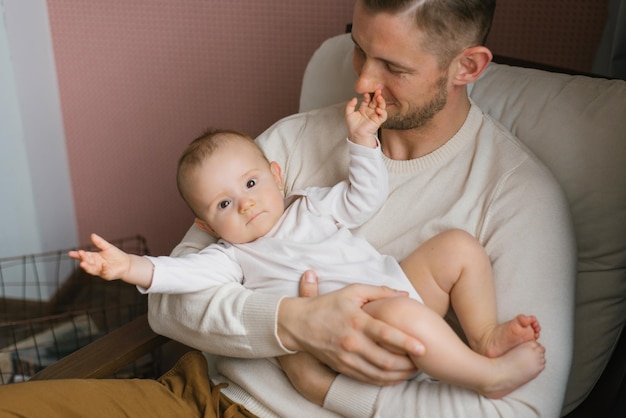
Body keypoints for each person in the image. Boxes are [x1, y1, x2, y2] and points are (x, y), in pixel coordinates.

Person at [0, 0, 575, 417]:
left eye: (394, 68)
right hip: (196, 393)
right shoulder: (278, 150)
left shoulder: (519, 198)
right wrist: (290, 324)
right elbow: (169, 311)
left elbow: (519, 412)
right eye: (358, 49)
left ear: (467, 67)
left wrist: (318, 386)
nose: (364, 81)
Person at [69, 90, 545, 400]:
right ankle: (486, 376)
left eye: (252, 184)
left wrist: (362, 140)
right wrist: (127, 266)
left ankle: (483, 336)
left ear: (277, 176)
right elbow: (177, 278)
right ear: (207, 226)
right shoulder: (229, 258)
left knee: (458, 247)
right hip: (360, 329)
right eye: (223, 204)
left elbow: (365, 197)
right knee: (404, 315)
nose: (245, 206)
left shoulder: (310, 205)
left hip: (396, 285)